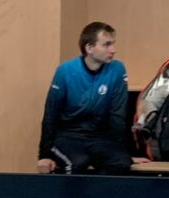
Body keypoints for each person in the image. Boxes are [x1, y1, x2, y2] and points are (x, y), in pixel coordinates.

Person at [37, 21, 150, 175]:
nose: (113, 50)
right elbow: (51, 113)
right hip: (67, 136)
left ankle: (99, 192)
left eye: (113, 44)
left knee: (121, 163)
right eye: (106, 45)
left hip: (97, 137)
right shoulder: (65, 71)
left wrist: (124, 152)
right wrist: (44, 155)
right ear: (89, 48)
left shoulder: (117, 69)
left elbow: (118, 117)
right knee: (78, 163)